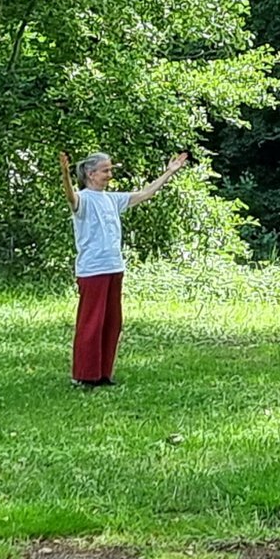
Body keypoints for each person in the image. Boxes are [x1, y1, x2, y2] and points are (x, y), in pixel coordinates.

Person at [59, 148, 188, 386]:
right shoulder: (84, 199)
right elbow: (70, 197)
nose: (109, 174)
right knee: (91, 323)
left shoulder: (113, 199)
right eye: (105, 170)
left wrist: (169, 172)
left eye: (110, 170)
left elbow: (146, 193)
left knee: (111, 322)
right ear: (90, 173)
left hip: (113, 267)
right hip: (92, 270)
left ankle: (103, 374)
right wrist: (65, 175)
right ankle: (85, 376)